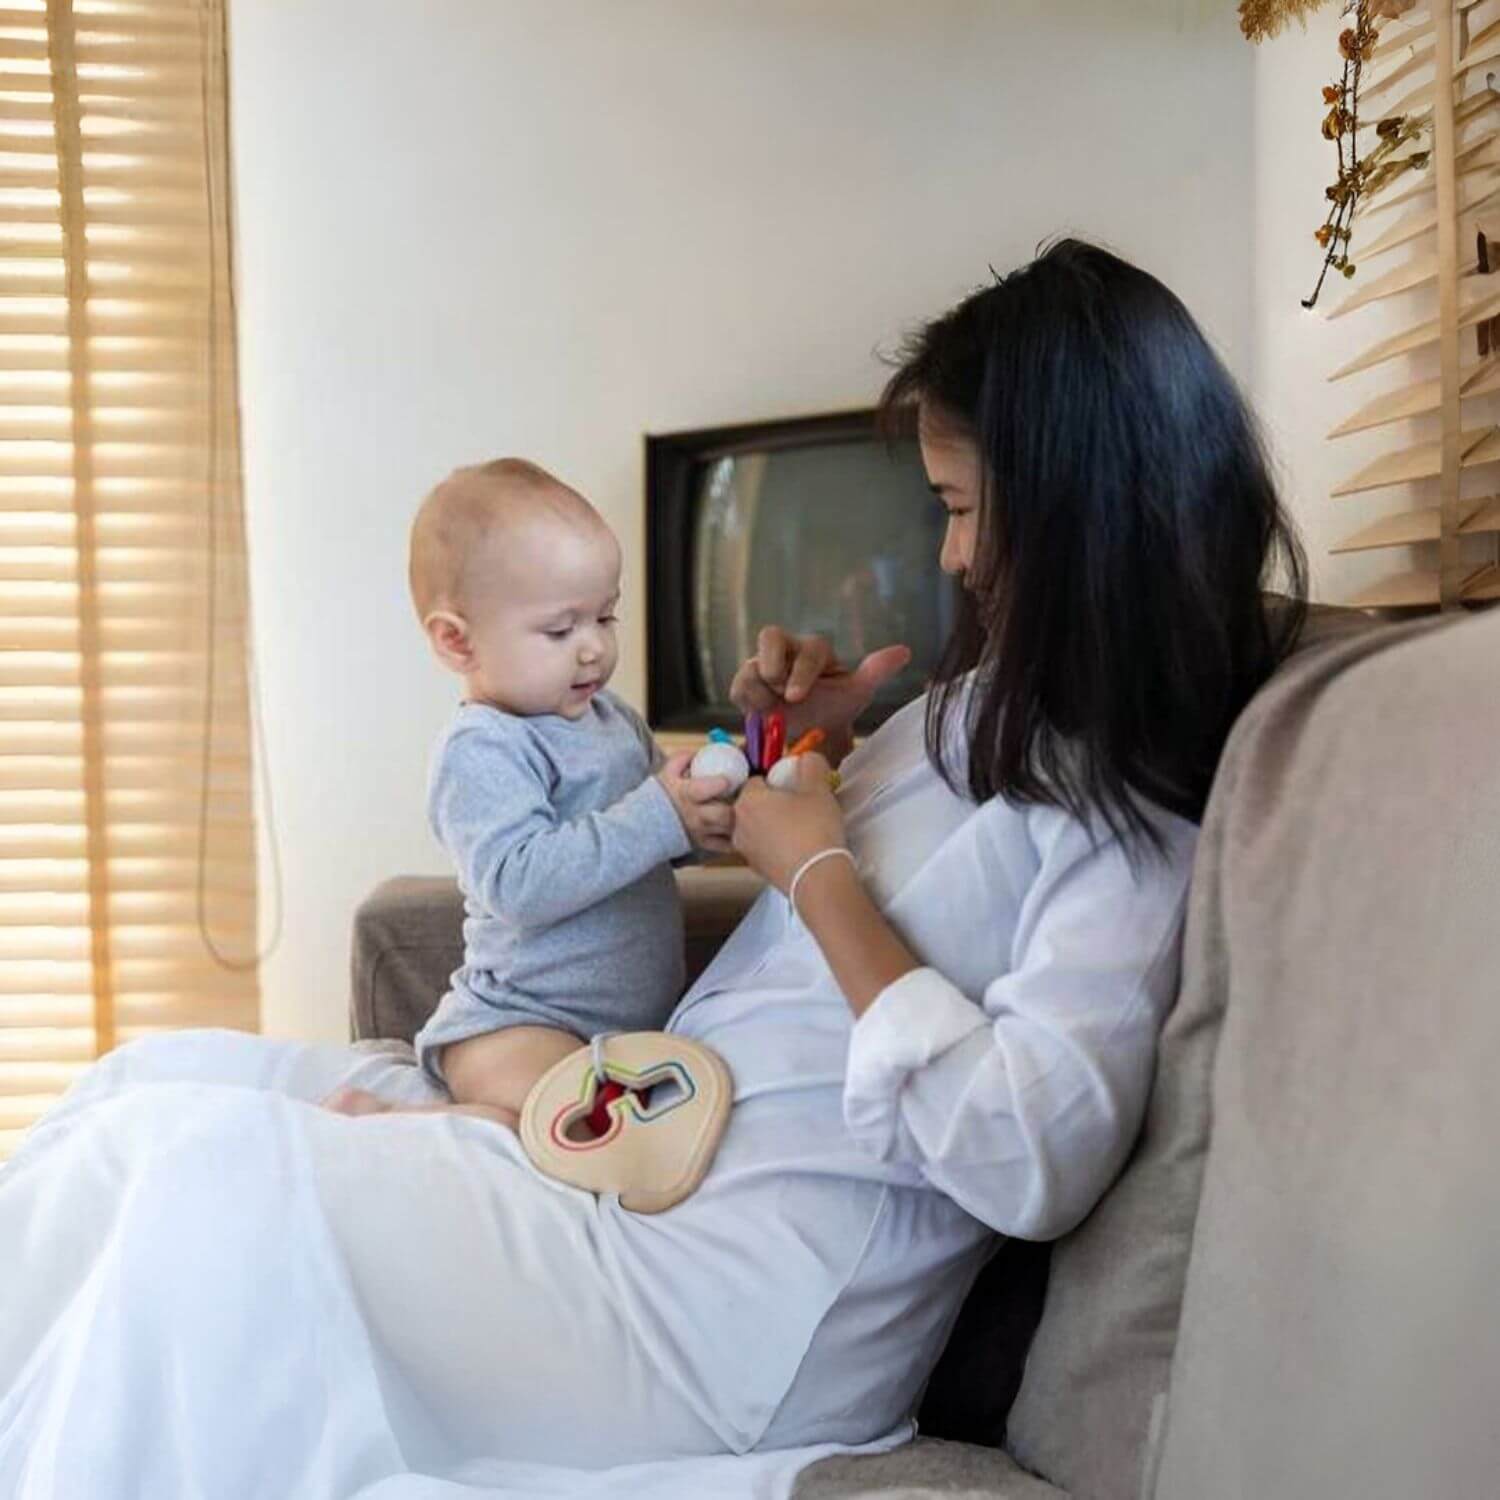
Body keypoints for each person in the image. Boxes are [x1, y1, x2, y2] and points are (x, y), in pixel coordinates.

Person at [1, 240, 1306, 1486]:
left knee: (194, 1177)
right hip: (634, 1151)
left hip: (722, 1313)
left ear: (1078, 507)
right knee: (139, 1089)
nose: (954, 556)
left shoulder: (1133, 830)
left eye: (965, 510)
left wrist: (817, 876)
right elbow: (860, 872)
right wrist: (811, 739)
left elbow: (1031, 1155)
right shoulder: (983, 712)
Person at [326, 458, 731, 1128]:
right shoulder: (484, 748)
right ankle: (378, 1119)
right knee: (566, 1125)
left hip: (624, 1028)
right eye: (560, 629)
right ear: (458, 642)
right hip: (515, 1022)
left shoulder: (610, 718)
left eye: (606, 616)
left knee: (634, 1114)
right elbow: (519, 883)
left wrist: (698, 824)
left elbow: (654, 839)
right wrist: (661, 816)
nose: (594, 649)